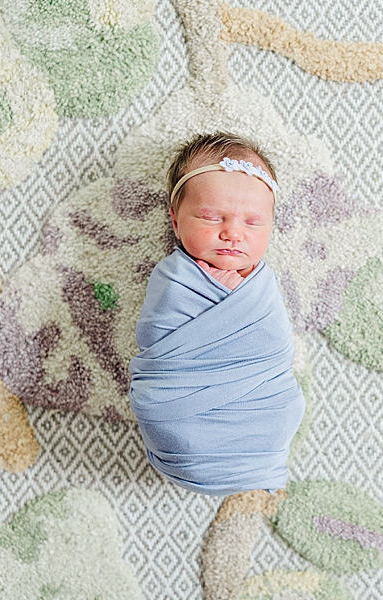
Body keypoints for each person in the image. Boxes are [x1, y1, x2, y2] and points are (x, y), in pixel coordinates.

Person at [128, 132, 304, 496]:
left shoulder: (262, 285)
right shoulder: (173, 278)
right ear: (176, 221)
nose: (233, 233)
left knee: (282, 409)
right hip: (179, 417)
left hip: (263, 410)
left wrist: (238, 293)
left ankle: (260, 458)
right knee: (175, 427)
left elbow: (273, 344)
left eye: (253, 223)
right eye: (211, 217)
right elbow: (156, 336)